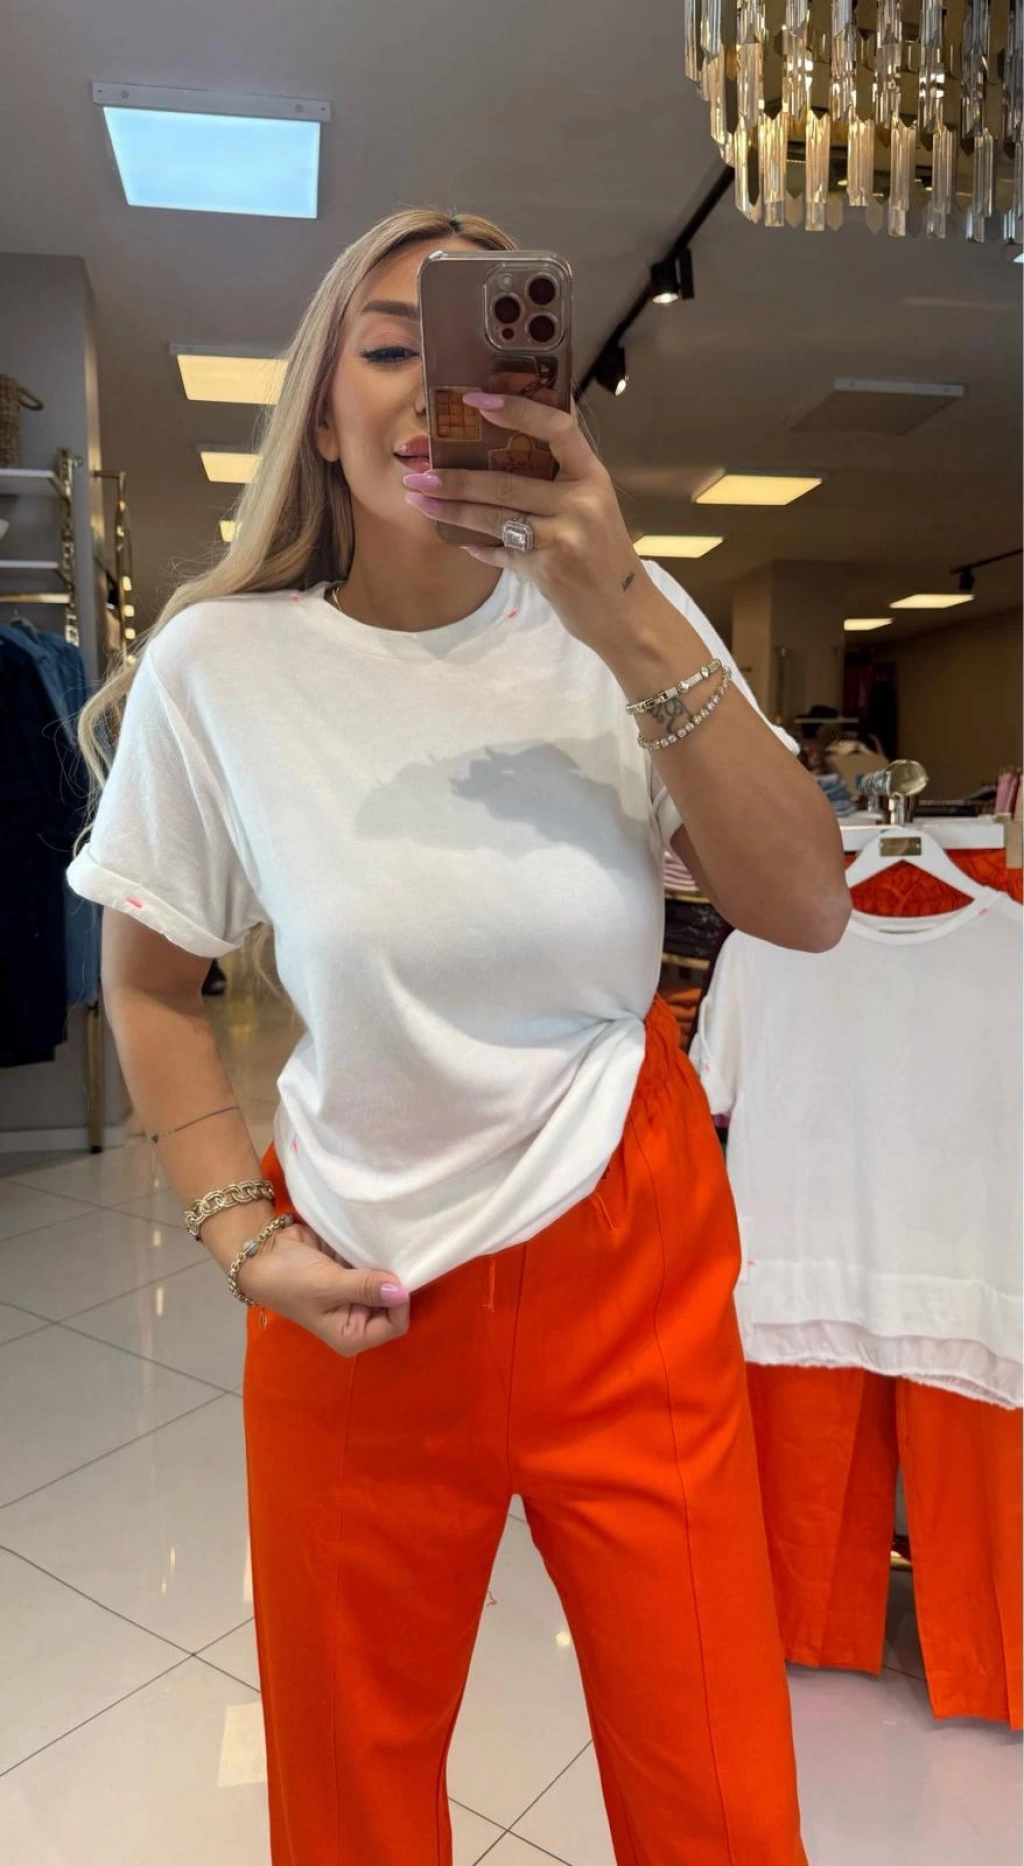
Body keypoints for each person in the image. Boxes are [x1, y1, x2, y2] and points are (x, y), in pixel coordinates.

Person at [68, 208, 850, 1866]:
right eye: (386, 344)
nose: (433, 387)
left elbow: (805, 902)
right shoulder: (221, 669)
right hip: (359, 1281)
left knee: (720, 1802)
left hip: (631, 1262)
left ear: (544, 384)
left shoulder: (630, 618)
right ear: (320, 409)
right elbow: (149, 985)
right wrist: (238, 1231)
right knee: (349, 1802)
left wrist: (620, 606)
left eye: (486, 340)